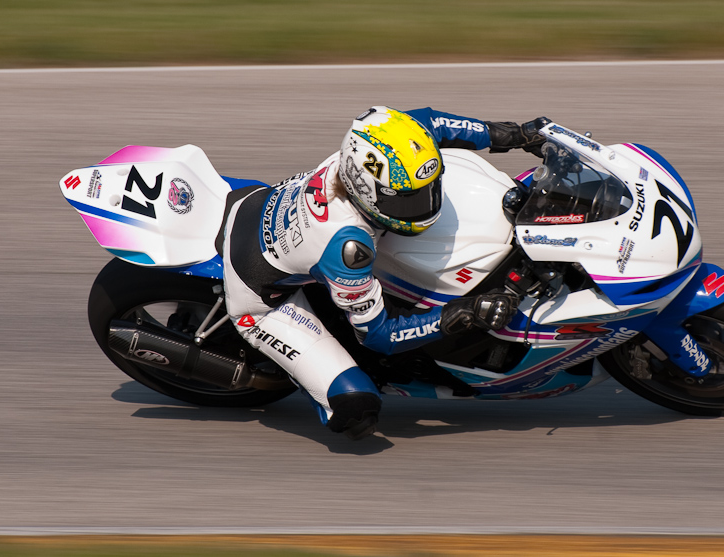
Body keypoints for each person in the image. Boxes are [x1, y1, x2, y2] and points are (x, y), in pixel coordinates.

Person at [219, 106, 549, 439]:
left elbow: (428, 124)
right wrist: (461, 313)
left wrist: (514, 134)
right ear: (366, 192)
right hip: (262, 301)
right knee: (356, 407)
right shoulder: (347, 247)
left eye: (429, 190)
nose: (425, 205)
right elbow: (379, 335)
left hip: (264, 211)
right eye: (408, 200)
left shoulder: (373, 146)